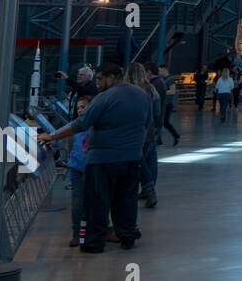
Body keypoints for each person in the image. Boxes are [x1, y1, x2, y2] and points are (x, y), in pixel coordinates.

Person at [38, 59, 149, 252]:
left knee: (97, 202)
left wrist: (53, 136)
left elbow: (81, 123)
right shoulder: (141, 95)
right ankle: (127, 236)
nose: (97, 83)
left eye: (100, 78)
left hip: (102, 160)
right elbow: (148, 123)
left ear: (112, 77)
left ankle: (94, 243)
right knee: (126, 200)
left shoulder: (104, 98)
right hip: (132, 157)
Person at [127, 62, 161, 208]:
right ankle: (149, 190)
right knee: (150, 161)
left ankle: (148, 190)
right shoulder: (151, 89)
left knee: (138, 163)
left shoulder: (128, 90)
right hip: (150, 130)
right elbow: (157, 111)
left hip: (134, 132)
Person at [66, 94, 93, 247]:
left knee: (96, 200)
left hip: (92, 167)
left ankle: (100, 229)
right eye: (78, 108)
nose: (81, 110)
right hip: (76, 167)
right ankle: (76, 231)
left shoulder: (95, 125)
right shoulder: (74, 126)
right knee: (77, 202)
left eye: (84, 107)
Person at [153, 65, 180, 146]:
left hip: (168, 104)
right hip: (163, 104)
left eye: (160, 70)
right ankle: (159, 139)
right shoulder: (162, 79)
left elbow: (172, 91)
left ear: (164, 69)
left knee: (165, 122)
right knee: (163, 122)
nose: (158, 72)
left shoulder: (170, 79)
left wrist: (162, 92)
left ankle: (175, 135)